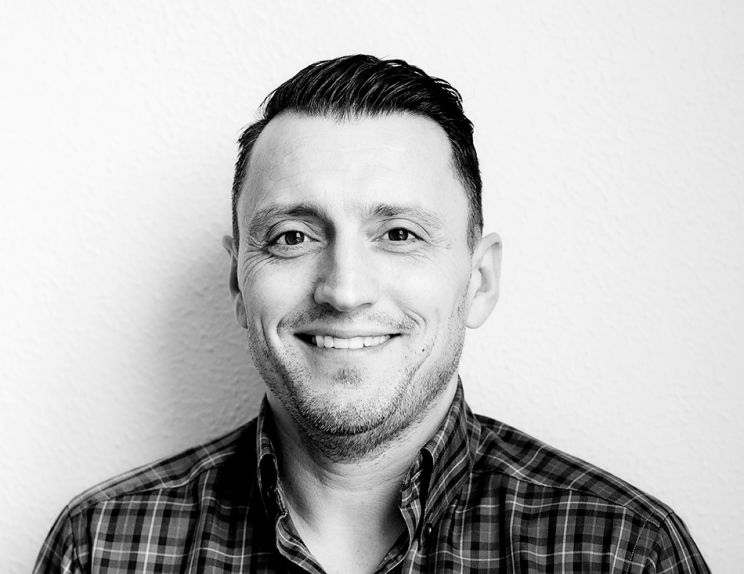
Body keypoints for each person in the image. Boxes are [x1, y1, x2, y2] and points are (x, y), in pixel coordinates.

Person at [35, 55, 709, 573]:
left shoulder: (625, 552)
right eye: (293, 237)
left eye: (399, 234)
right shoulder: (101, 548)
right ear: (238, 282)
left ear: (478, 281)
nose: (345, 290)